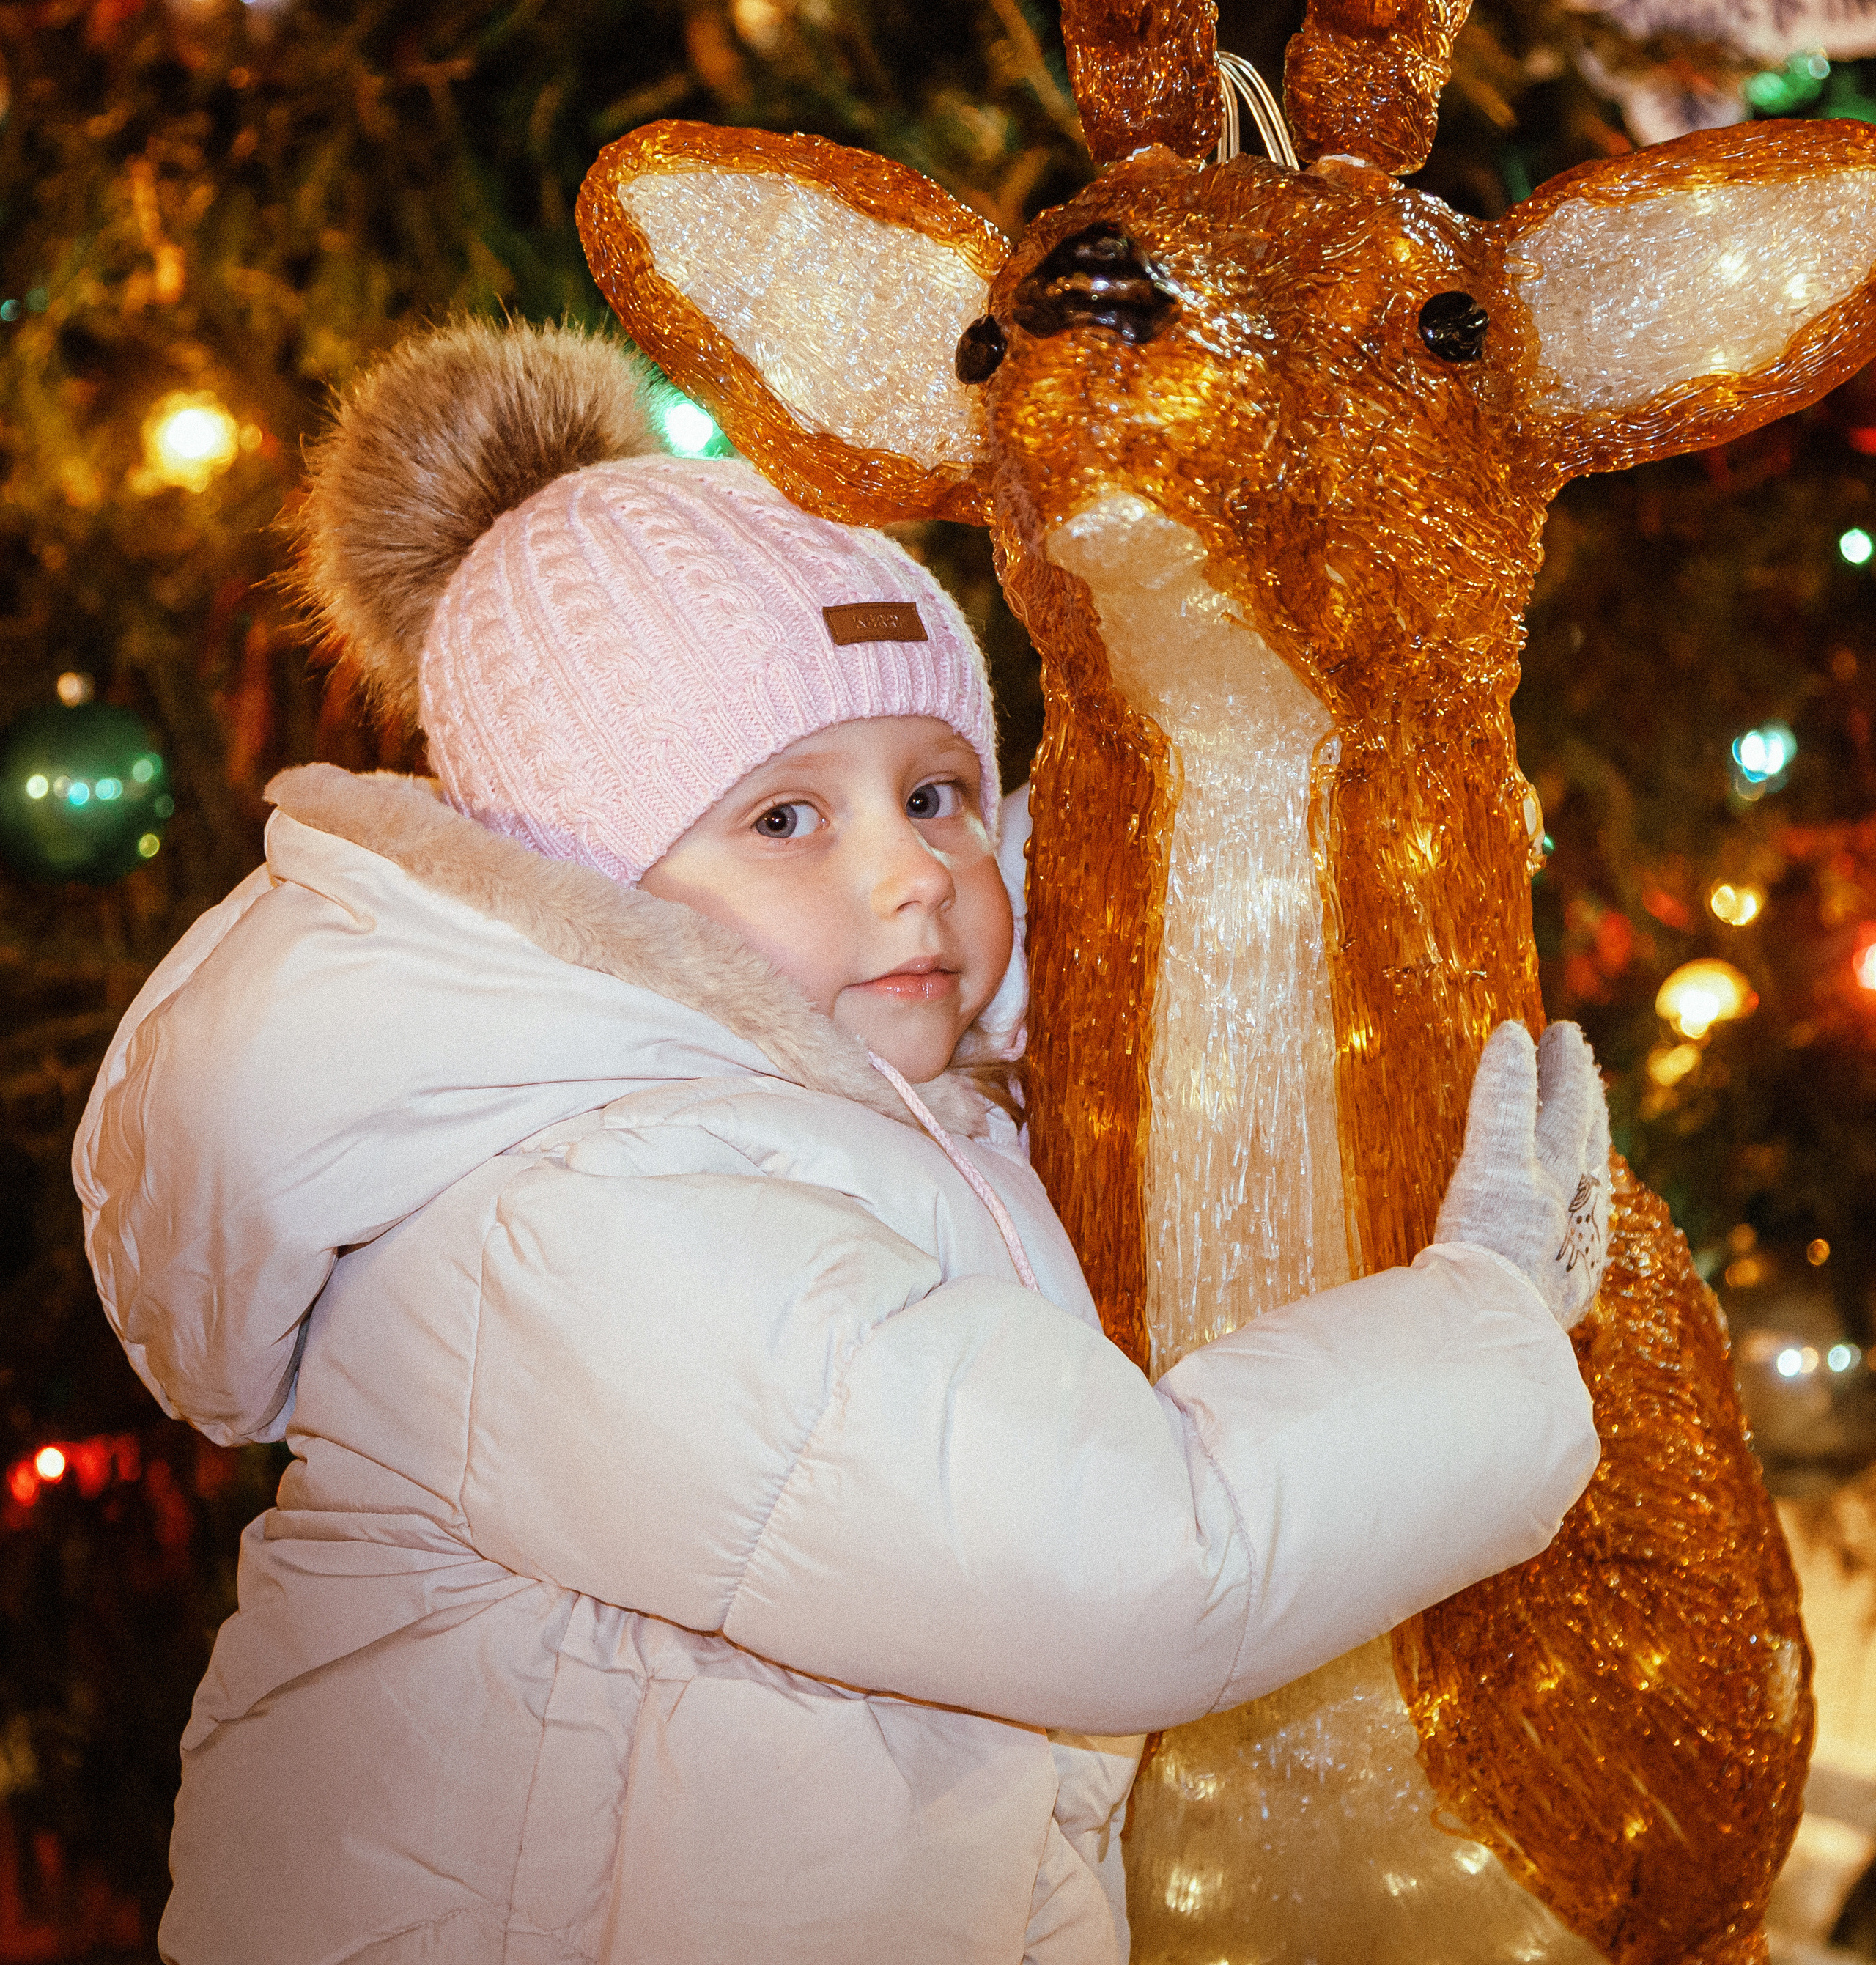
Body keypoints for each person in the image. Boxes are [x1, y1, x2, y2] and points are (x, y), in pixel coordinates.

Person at [73, 321, 1609, 1965]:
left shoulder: (827, 1118)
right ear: (584, 883)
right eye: (785, 816)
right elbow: (1119, 1565)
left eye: (937, 793)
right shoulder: (576, 1220)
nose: (909, 875)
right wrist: (1484, 1322)